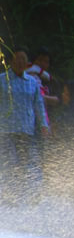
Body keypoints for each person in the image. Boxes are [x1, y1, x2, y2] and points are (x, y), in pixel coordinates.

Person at [0, 49, 50, 205]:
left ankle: (21, 194)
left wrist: (44, 124)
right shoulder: (2, 80)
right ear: (10, 62)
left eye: (23, 59)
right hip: (6, 129)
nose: (20, 62)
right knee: (8, 162)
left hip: (26, 129)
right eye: (17, 59)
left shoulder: (32, 82)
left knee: (24, 162)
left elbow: (38, 104)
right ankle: (6, 195)